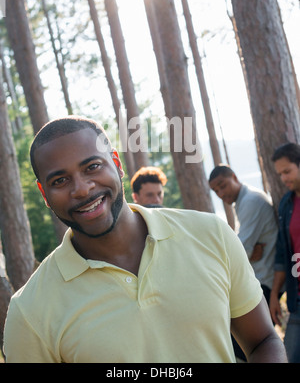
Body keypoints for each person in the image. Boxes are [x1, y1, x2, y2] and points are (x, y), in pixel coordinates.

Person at [3, 116, 287, 363]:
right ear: (44, 194)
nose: (82, 189)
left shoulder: (211, 234)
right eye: (60, 181)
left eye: (92, 167)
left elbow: (263, 341)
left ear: (116, 163)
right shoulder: (30, 310)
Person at [209, 164, 280, 362]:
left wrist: (242, 252)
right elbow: (242, 248)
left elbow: (237, 250)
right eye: (216, 191)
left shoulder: (250, 201)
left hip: (264, 279)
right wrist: (245, 252)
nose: (221, 193)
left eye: (223, 186)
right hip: (257, 275)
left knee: (243, 346)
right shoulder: (243, 201)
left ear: (234, 176)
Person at [270, 142, 300, 363]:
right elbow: (283, 252)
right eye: (280, 174)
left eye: (287, 171)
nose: (283, 178)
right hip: (297, 299)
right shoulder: (286, 205)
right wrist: (274, 295)